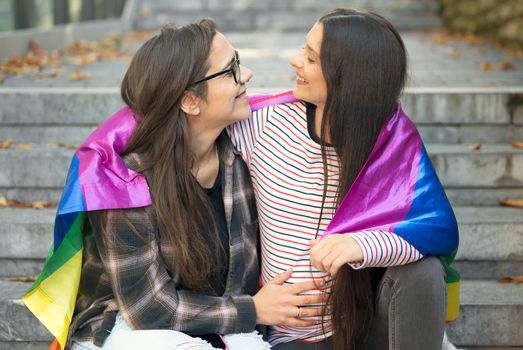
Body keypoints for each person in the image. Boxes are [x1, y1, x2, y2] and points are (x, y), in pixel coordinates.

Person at [23, 19, 327, 350]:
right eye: (231, 69)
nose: (248, 74)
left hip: (220, 323)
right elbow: (148, 308)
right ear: (189, 101)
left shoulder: (240, 156)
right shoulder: (124, 181)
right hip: (129, 328)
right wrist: (253, 309)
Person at [227, 8, 459, 350]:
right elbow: (181, 125)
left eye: (310, 57)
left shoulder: (392, 140)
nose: (294, 61)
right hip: (293, 333)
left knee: (423, 270)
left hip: (368, 322)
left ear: (349, 78)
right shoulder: (264, 125)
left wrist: (363, 245)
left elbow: (434, 229)